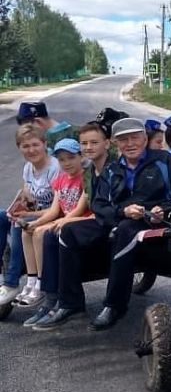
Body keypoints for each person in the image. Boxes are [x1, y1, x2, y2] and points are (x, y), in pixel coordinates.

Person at [34, 118, 171, 332]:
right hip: (117, 218)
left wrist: (162, 211)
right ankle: (71, 303)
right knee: (68, 231)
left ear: (145, 139)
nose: (130, 143)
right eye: (124, 140)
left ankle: (114, 306)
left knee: (125, 231)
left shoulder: (164, 161)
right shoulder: (111, 169)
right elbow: (99, 205)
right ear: (116, 143)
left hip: (150, 222)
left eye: (135, 137)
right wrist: (122, 211)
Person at [27, 123, 113, 328]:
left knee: (59, 233)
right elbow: (57, 209)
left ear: (107, 144)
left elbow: (93, 210)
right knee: (35, 230)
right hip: (94, 219)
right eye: (85, 143)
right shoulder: (91, 171)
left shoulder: (99, 172)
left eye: (94, 143)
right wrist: (36, 220)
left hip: (103, 221)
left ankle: (67, 300)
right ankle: (48, 293)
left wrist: (65, 220)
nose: (89, 147)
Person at [18, 138, 89, 308]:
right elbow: (54, 210)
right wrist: (36, 222)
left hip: (79, 220)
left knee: (39, 233)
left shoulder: (85, 178)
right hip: (63, 218)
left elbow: (79, 209)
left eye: (71, 157)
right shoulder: (61, 179)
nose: (66, 163)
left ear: (80, 156)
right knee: (27, 231)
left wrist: (57, 222)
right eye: (62, 159)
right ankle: (32, 279)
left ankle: (43, 283)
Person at [0, 125, 60, 305]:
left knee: (20, 223)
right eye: (25, 146)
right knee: (3, 217)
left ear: (44, 144)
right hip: (34, 213)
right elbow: (28, 195)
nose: (31, 150)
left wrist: (24, 214)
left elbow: (58, 206)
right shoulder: (28, 168)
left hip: (54, 215)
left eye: (35, 145)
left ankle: (11, 283)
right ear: (19, 148)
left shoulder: (54, 168)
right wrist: (18, 206)